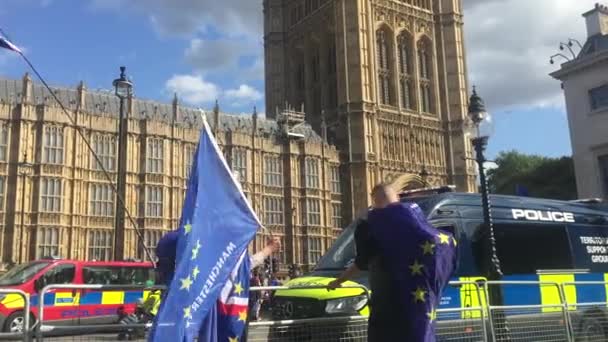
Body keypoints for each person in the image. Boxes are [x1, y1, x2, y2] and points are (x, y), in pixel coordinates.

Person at [328, 184, 457, 342]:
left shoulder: (371, 224)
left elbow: (361, 262)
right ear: (396, 197)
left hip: (387, 299)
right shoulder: (419, 222)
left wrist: (338, 281)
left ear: (374, 199)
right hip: (416, 301)